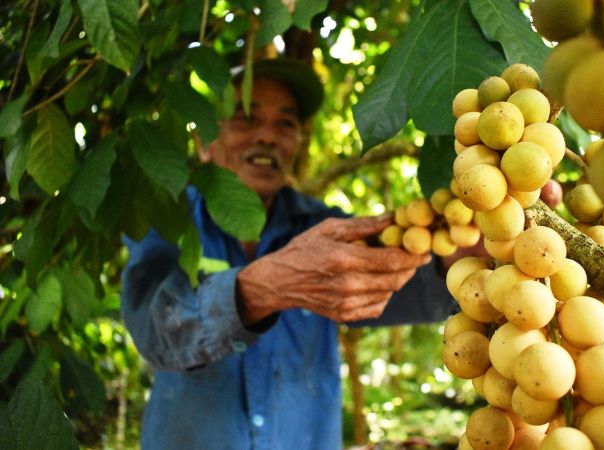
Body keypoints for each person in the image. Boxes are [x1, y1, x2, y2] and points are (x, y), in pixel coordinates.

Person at [121, 58, 457, 450]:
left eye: (285, 123)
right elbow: (151, 327)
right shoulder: (166, 218)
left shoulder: (323, 228)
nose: (267, 136)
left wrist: (459, 257)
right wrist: (260, 290)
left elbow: (405, 283)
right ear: (204, 142)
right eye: (246, 118)